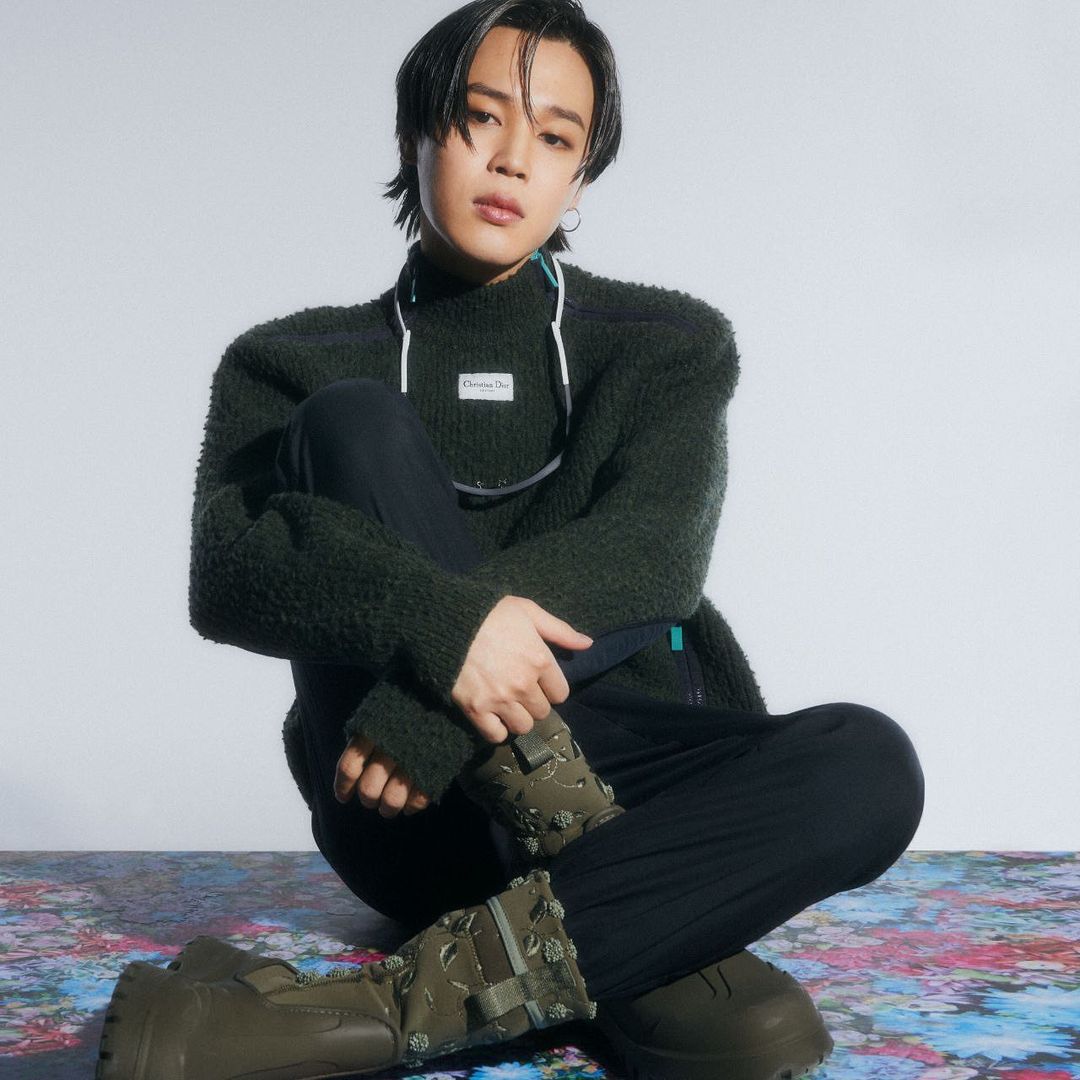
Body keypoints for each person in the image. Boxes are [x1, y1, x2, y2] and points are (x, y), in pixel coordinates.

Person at [96, 2, 925, 1079]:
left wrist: (433, 709)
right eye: (481, 117)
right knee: (354, 423)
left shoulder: (668, 344)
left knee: (872, 766)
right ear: (416, 132)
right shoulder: (287, 361)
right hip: (405, 803)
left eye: (556, 136)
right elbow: (228, 568)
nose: (513, 160)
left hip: (604, 769)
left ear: (580, 176)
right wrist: (446, 636)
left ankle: (354, 1014)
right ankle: (640, 920)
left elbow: (655, 549)